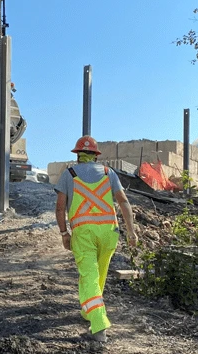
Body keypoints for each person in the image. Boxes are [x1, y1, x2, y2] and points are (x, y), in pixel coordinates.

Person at [54, 135, 138, 343]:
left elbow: (60, 207)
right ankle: (88, 311)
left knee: (89, 276)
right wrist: (131, 231)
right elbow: (124, 202)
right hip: (109, 232)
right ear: (95, 155)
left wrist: (64, 233)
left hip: (84, 233)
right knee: (98, 276)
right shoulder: (109, 173)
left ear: (78, 155)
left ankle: (99, 325)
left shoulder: (69, 174)